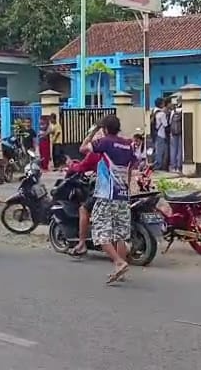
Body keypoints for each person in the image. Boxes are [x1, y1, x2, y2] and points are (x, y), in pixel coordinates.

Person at [80, 114, 136, 283]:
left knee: (100, 233)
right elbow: (130, 169)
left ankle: (118, 262)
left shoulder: (105, 142)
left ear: (104, 129)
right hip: (123, 195)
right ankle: (121, 269)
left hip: (107, 195)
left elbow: (83, 149)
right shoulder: (128, 145)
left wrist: (92, 131)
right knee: (120, 235)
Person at [66, 139, 102, 257]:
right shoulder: (117, 147)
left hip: (103, 188)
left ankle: (82, 243)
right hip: (121, 187)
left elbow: (80, 167)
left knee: (83, 209)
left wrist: (70, 164)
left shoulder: (94, 153)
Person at [152, 98, 169, 170]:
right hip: (161, 134)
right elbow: (165, 125)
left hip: (155, 134)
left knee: (159, 150)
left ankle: (162, 166)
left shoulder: (153, 111)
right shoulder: (162, 114)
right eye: (163, 103)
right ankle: (158, 166)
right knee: (160, 152)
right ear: (161, 104)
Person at [168, 98, 183, 174]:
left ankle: (173, 166)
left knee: (173, 150)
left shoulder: (173, 111)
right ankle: (179, 167)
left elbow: (170, 122)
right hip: (181, 132)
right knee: (180, 150)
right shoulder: (183, 110)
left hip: (173, 133)